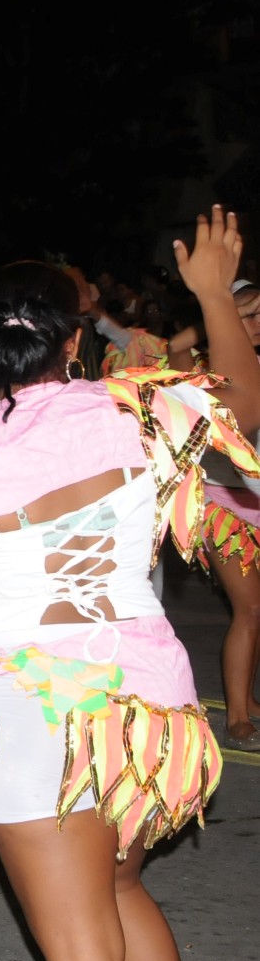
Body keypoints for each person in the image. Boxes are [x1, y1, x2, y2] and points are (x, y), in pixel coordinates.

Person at [0, 206, 260, 961]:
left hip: (32, 710)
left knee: (81, 953)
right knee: (120, 887)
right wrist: (213, 294)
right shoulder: (139, 409)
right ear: (76, 342)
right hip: (148, 705)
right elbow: (244, 411)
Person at [195, 278, 260, 751]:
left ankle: (248, 701)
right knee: (250, 608)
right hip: (223, 503)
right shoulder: (207, 373)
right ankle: (238, 717)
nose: (257, 325)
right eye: (249, 315)